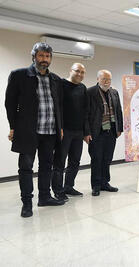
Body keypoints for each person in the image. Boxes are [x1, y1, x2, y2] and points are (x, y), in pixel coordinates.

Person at [5, 42, 65, 218]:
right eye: (41, 56)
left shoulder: (55, 79)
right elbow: (10, 104)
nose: (44, 59)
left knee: (46, 166)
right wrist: (13, 127)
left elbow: (59, 105)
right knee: (26, 168)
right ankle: (27, 203)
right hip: (28, 131)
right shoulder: (19, 75)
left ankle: (45, 197)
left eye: (47, 56)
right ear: (33, 56)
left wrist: (59, 127)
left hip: (50, 131)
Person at [51, 63, 89, 201]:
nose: (80, 74)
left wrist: (86, 132)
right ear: (70, 70)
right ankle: (57, 190)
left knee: (75, 162)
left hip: (78, 132)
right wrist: (59, 127)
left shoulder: (82, 88)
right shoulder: (61, 84)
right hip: (64, 131)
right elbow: (57, 107)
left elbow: (85, 112)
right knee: (59, 162)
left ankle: (68, 186)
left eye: (83, 72)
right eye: (77, 71)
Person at [87, 70, 123, 196]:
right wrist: (86, 132)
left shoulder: (114, 92)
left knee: (107, 159)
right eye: (104, 79)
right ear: (98, 79)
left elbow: (118, 111)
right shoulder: (90, 92)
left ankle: (105, 183)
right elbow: (85, 114)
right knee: (96, 159)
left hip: (111, 132)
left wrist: (119, 129)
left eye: (109, 79)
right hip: (96, 132)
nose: (106, 82)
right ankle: (96, 185)